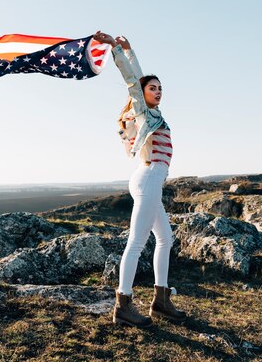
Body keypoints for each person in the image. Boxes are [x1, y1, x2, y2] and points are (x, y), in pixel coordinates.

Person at [93, 31, 186, 328]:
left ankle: (160, 301)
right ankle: (123, 305)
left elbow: (141, 80)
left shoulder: (155, 116)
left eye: (161, 88)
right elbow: (135, 81)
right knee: (135, 244)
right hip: (148, 179)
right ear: (143, 95)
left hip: (151, 180)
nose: (158, 91)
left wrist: (131, 49)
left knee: (165, 239)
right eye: (153, 88)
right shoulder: (143, 113)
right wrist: (119, 51)